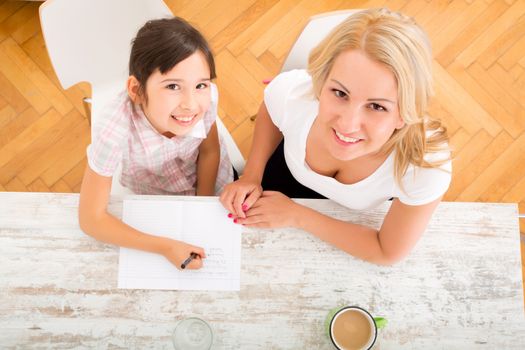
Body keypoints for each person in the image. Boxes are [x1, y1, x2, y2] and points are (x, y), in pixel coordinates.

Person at [220, 8, 451, 265]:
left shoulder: (425, 166)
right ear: (321, 82)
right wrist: (252, 174)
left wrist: (298, 216)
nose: (348, 125)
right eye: (340, 93)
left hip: (347, 219)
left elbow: (387, 252)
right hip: (280, 178)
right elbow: (270, 111)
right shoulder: (293, 94)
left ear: (405, 114)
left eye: (377, 106)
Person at [79, 17, 233, 270]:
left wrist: (200, 207)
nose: (191, 104)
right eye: (173, 86)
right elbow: (91, 219)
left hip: (211, 184)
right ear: (136, 90)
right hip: (153, 197)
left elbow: (209, 149)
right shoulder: (115, 130)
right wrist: (165, 246)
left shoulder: (205, 98)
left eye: (200, 85)